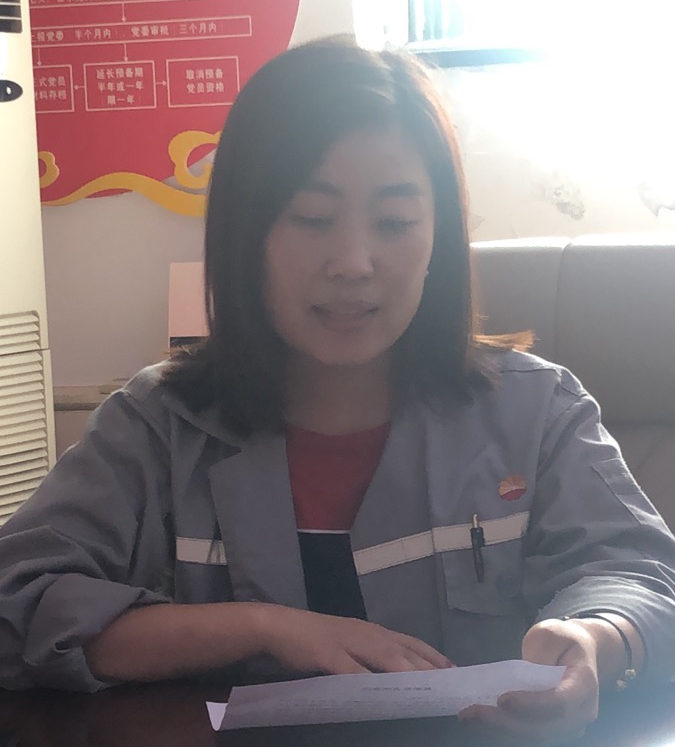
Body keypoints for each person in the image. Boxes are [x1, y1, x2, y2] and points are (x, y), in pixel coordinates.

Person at [1, 36, 675, 744]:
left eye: (395, 223)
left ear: (438, 237)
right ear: (244, 234)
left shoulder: (534, 410)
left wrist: (597, 636)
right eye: (311, 218)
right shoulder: (156, 426)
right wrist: (260, 627)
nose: (353, 262)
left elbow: (639, 573)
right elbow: (17, 603)